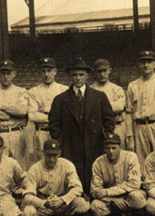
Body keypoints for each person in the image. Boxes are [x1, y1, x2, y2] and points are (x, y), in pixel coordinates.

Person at [49, 57, 115, 196]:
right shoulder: (61, 99)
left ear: (87, 76)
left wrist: (104, 140)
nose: (78, 78)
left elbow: (109, 121)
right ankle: (75, 206)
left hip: (94, 145)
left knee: (94, 177)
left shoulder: (99, 97)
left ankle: (94, 203)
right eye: (74, 75)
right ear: (70, 76)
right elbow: (54, 124)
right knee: (73, 177)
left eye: (81, 75)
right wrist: (60, 142)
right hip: (70, 147)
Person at [21, 139, 90, 216]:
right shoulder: (35, 168)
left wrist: (63, 199)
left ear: (59, 154)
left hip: (62, 203)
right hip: (44, 204)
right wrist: (44, 203)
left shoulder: (67, 165)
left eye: (55, 155)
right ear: (43, 153)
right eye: (49, 155)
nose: (52, 159)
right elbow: (27, 196)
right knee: (28, 212)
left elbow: (78, 188)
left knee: (81, 204)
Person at [90, 133, 146, 216]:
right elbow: (95, 190)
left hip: (128, 196)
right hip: (109, 200)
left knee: (137, 197)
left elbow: (134, 184)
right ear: (104, 148)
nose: (111, 151)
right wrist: (112, 199)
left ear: (120, 147)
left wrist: (109, 192)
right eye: (107, 148)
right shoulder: (98, 162)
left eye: (114, 148)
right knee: (95, 207)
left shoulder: (131, 157)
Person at [0, 60, 30, 170]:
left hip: (16, 133)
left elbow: (22, 111)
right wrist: (11, 113)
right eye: (3, 73)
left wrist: (1, 106)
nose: (6, 76)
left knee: (19, 168)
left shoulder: (21, 91)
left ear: (14, 74)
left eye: (8, 73)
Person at [28, 57, 68, 163]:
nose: (46, 74)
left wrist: (44, 110)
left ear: (55, 71)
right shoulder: (33, 91)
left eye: (49, 70)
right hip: (41, 132)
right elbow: (32, 116)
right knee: (41, 163)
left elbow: (67, 115)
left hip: (59, 133)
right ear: (40, 73)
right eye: (43, 71)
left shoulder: (64, 90)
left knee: (60, 162)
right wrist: (56, 115)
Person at [90, 59, 128, 148]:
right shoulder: (91, 90)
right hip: (98, 128)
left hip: (116, 126)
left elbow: (120, 106)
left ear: (109, 70)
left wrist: (98, 105)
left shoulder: (116, 89)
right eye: (99, 71)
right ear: (95, 72)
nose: (102, 74)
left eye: (104, 71)